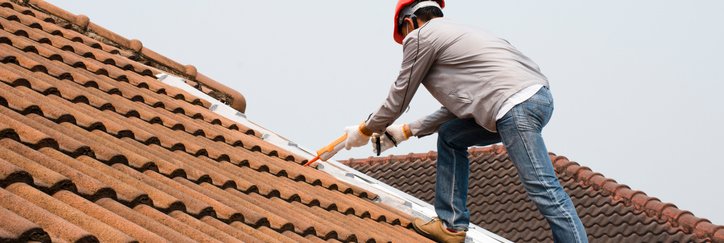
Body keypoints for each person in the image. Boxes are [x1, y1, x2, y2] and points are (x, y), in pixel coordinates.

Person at [339, 1, 589, 242]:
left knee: (544, 189)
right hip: (534, 99)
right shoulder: (461, 36)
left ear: (410, 22)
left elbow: (399, 97)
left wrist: (365, 129)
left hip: (514, 106)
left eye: (403, 33)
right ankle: (451, 225)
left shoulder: (420, 37)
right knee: (450, 135)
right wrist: (406, 131)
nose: (405, 42)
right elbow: (463, 107)